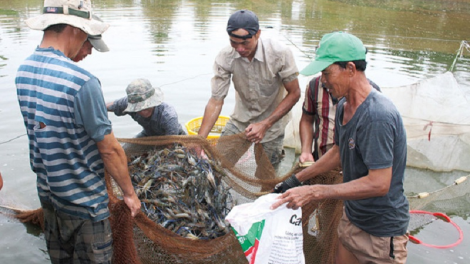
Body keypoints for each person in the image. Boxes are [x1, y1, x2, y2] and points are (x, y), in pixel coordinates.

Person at [15, 0, 141, 263]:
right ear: (74, 29)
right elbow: (110, 149)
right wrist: (129, 194)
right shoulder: (82, 81)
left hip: (49, 199)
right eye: (86, 34)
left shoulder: (23, 71)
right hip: (85, 206)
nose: (89, 49)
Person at [272, 32, 410, 264]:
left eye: (327, 73)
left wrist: (315, 191)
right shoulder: (345, 104)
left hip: (381, 231)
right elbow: (338, 152)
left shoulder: (378, 115)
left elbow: (379, 183)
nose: (323, 81)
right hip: (352, 218)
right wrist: (297, 180)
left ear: (350, 69)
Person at [198, 9, 301, 168]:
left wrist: (265, 124)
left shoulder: (279, 53)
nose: (239, 48)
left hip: (272, 125)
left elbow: (294, 93)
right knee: (217, 165)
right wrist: (200, 140)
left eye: (245, 43)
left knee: (266, 176)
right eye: (234, 42)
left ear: (258, 34)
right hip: (241, 121)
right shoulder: (225, 57)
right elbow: (216, 101)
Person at [299, 75, 381, 163]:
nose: (323, 79)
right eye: (323, 71)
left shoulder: (370, 92)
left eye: (327, 72)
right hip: (321, 159)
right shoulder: (314, 86)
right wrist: (306, 151)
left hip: (354, 166)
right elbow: (307, 120)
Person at [106, 78, 186, 138]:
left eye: (146, 107)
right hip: (148, 135)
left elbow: (171, 145)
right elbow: (104, 107)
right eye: (138, 108)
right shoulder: (129, 102)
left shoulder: (168, 116)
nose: (143, 111)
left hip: (175, 137)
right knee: (126, 149)